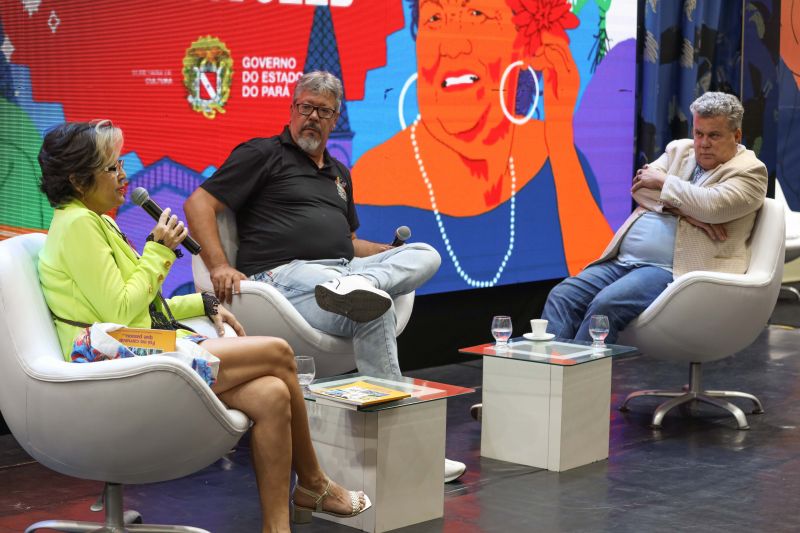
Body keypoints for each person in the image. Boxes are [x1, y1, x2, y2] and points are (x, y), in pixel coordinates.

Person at [36, 120, 371, 533]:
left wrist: (205, 301)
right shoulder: (77, 225)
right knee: (280, 353)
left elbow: (141, 307)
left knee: (270, 395)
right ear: (76, 179)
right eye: (111, 168)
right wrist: (158, 250)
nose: (123, 176)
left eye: (121, 163)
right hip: (114, 363)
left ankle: (277, 528)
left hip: (139, 344)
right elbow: (121, 312)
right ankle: (315, 484)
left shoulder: (95, 220)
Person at [183, 71, 466, 482]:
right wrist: (219, 265)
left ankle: (359, 290)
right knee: (375, 308)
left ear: (336, 119)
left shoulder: (339, 175)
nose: (312, 117)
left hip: (343, 273)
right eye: (305, 107)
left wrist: (386, 257)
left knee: (424, 254)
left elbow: (347, 244)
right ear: (293, 108)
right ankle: (409, 452)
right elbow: (198, 204)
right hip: (285, 277)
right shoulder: (263, 154)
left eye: (323, 111)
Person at [351, 0, 614, 288]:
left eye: (476, 15)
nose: (452, 46)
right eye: (435, 18)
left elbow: (596, 285)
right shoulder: (372, 178)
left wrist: (560, 137)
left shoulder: (558, 155)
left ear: (524, 45)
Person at [542, 91, 768, 343]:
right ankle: (553, 377)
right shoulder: (678, 150)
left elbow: (712, 207)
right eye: (698, 133)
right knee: (562, 295)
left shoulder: (751, 172)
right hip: (624, 260)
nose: (703, 143)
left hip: (673, 269)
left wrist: (664, 182)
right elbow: (640, 188)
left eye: (713, 135)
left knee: (605, 305)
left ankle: (578, 380)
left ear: (736, 136)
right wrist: (688, 212)